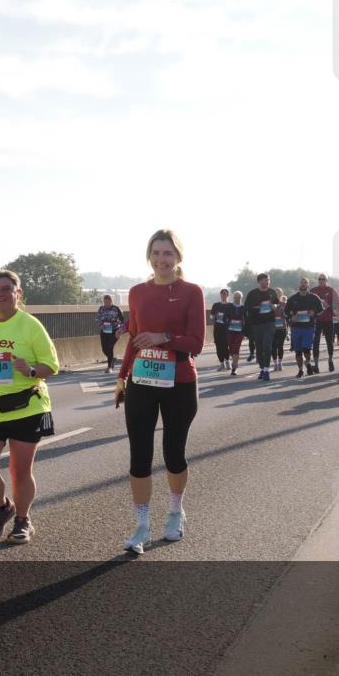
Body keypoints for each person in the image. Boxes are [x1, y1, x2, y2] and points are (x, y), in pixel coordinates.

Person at [113, 229, 204, 554]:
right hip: (141, 382)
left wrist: (163, 336)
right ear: (148, 256)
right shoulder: (137, 292)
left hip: (179, 381)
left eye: (167, 253)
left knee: (173, 453)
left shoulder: (192, 292)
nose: (161, 260)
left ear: (178, 257)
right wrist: (122, 377)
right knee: (139, 455)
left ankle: (176, 512)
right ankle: (141, 525)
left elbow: (196, 343)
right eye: (156, 253)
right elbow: (135, 340)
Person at [0, 270, 58, 545]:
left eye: (6, 288)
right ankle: (2, 507)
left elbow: (51, 366)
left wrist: (30, 368)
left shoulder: (30, 325)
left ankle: (23, 520)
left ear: (17, 293)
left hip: (25, 406)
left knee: (20, 471)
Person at [244, 273, 279, 381]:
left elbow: (276, 303)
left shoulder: (272, 292)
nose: (267, 282)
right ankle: (262, 368)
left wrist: (274, 306)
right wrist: (259, 307)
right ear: (259, 281)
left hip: (269, 323)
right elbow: (247, 308)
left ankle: (266, 370)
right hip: (256, 324)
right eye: (265, 280)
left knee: (267, 347)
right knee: (259, 348)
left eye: (268, 280)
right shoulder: (252, 294)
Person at [286, 277, 323, 378]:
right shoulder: (292, 299)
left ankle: (308, 362)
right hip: (296, 328)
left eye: (305, 282)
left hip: (308, 327)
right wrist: (291, 317)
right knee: (298, 351)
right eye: (301, 282)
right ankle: (300, 370)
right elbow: (285, 313)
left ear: (308, 285)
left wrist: (314, 313)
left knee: (306, 349)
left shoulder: (314, 298)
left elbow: (321, 310)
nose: (303, 284)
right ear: (299, 284)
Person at [310, 273, 339, 373]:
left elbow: (337, 306)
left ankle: (330, 360)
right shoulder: (313, 291)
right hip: (317, 320)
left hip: (328, 320)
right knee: (315, 342)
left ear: (326, 280)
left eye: (323, 279)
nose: (321, 280)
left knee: (329, 342)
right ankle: (316, 365)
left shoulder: (331, 290)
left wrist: (329, 306)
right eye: (320, 279)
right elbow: (308, 304)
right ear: (318, 280)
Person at [96, 294, 126, 374]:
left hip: (114, 331)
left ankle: (109, 367)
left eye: (107, 302)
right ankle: (111, 359)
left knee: (110, 347)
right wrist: (100, 325)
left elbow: (123, 320)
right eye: (104, 302)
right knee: (104, 349)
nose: (106, 304)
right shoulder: (101, 309)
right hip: (104, 331)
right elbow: (97, 318)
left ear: (111, 301)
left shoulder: (116, 309)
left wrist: (120, 329)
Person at [210, 289, 234, 371]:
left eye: (225, 294)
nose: (223, 296)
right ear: (220, 295)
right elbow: (211, 317)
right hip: (217, 328)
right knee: (218, 346)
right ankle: (221, 363)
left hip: (227, 329)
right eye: (222, 294)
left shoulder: (231, 305)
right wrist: (215, 317)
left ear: (228, 295)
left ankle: (228, 362)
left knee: (226, 345)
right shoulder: (216, 305)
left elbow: (234, 317)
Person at [226, 291, 247, 376]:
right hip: (230, 331)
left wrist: (246, 330)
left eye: (238, 297)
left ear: (241, 298)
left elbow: (247, 319)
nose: (237, 299)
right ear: (233, 298)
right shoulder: (229, 306)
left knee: (236, 347)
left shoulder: (244, 307)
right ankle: (234, 359)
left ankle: (234, 367)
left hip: (240, 331)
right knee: (231, 347)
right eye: (235, 297)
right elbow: (224, 318)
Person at [272, 289, 287, 372]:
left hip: (282, 328)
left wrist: (284, 312)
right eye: (276, 293)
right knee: (273, 346)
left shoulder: (284, 304)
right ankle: (275, 363)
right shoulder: (270, 304)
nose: (277, 294)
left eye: (279, 293)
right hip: (272, 328)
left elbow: (287, 315)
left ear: (281, 294)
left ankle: (280, 362)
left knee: (280, 346)